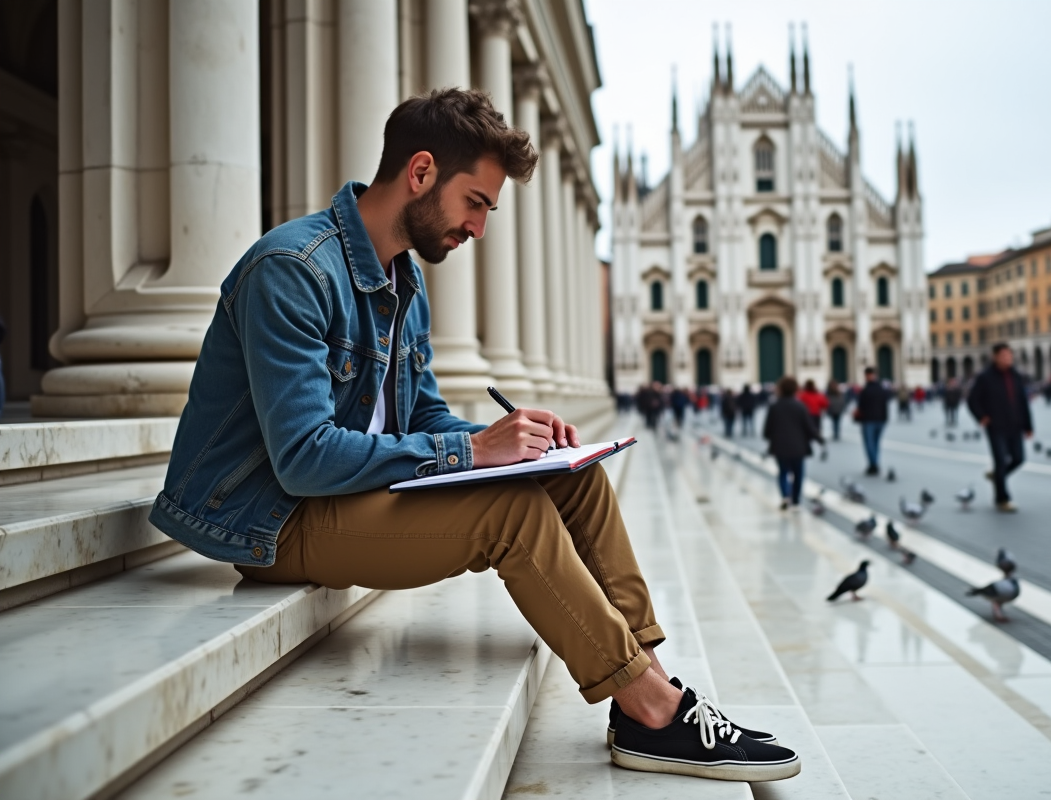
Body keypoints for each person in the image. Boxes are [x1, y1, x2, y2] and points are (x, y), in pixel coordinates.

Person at [146, 89, 798, 782]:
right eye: (477, 203)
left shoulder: (405, 281)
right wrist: (471, 453)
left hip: (346, 496)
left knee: (571, 478)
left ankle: (656, 689)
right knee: (510, 514)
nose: (480, 228)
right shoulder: (293, 270)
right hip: (270, 518)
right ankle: (653, 710)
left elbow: (423, 415)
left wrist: (511, 439)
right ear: (421, 173)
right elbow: (303, 459)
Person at [968, 343, 1034, 512]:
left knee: (1019, 459)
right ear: (995, 357)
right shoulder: (985, 377)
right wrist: (981, 416)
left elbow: (1023, 402)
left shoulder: (1016, 376)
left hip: (1015, 425)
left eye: (1009, 355)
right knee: (1000, 461)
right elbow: (972, 399)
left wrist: (1028, 426)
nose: (1007, 359)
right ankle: (1002, 499)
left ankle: (998, 476)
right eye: (1004, 356)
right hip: (996, 426)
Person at [763, 376, 823, 510]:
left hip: (780, 447)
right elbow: (809, 427)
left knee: (783, 472)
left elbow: (767, 430)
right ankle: (796, 499)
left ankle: (785, 495)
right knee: (798, 474)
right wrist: (820, 439)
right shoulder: (800, 406)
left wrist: (772, 437)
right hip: (798, 447)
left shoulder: (774, 406)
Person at [855, 367, 888, 475]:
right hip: (880, 420)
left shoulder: (865, 390)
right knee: (876, 443)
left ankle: (873, 465)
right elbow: (885, 405)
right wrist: (885, 418)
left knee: (870, 443)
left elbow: (861, 407)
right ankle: (874, 463)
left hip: (868, 420)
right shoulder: (882, 389)